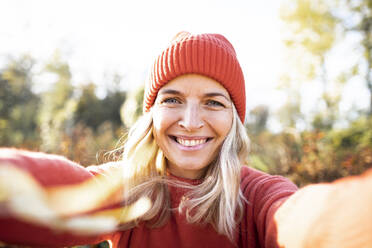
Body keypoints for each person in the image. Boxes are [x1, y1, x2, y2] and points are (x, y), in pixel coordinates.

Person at [0, 31, 372, 248]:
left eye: (213, 102)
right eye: (173, 100)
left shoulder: (257, 196)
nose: (191, 122)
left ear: (234, 119)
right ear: (152, 114)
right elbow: (59, 194)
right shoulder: (127, 190)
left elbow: (301, 220)